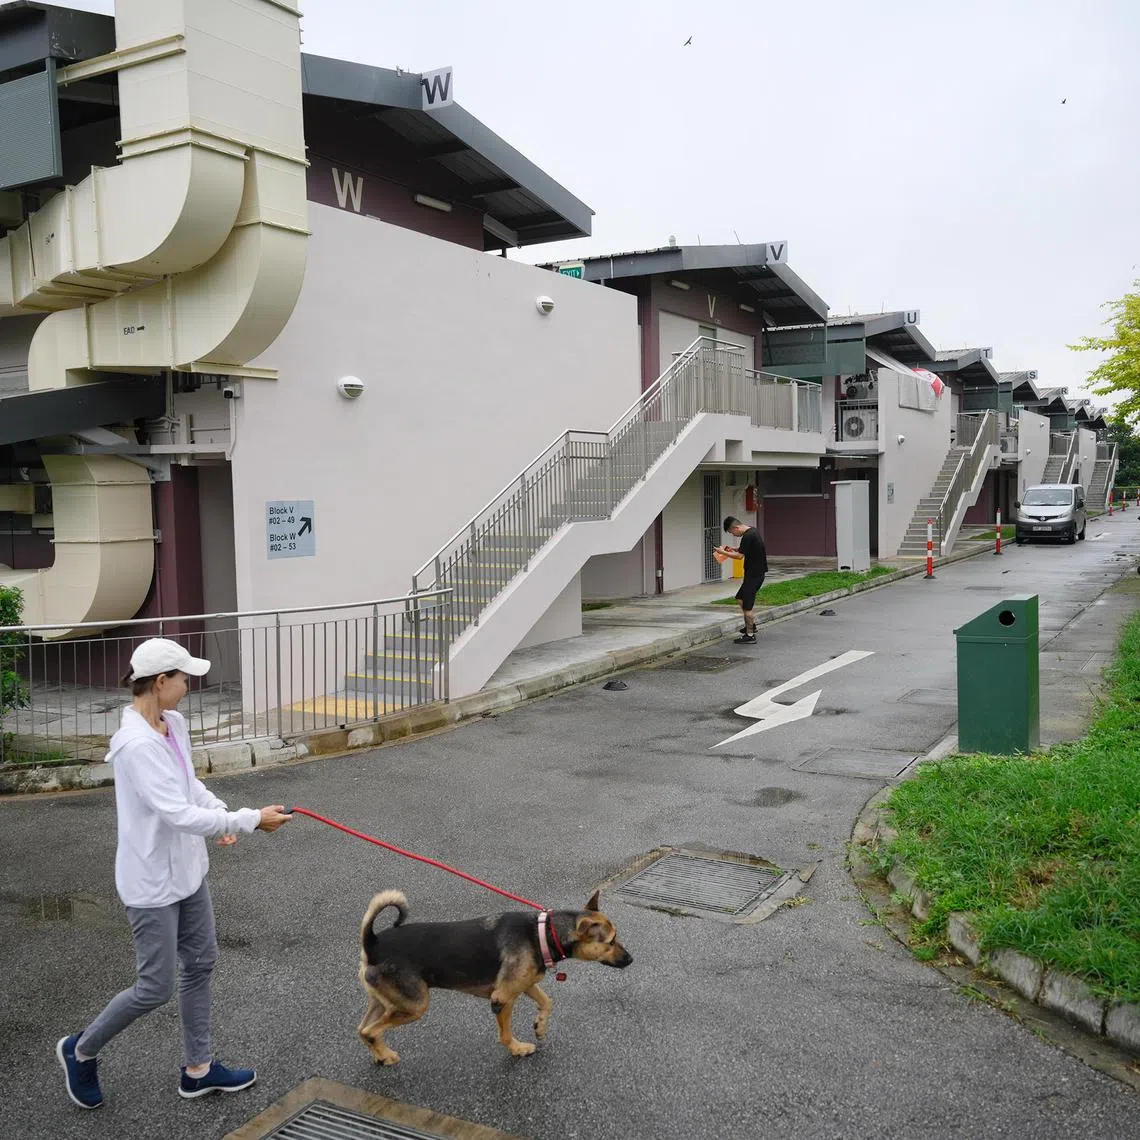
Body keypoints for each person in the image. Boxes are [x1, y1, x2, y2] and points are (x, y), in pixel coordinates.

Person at [56, 638, 292, 1110]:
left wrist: (222, 811)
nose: (189, 686)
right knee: (155, 986)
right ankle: (80, 1049)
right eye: (183, 678)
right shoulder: (134, 746)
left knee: (201, 962)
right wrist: (247, 819)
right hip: (150, 884)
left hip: (187, 871)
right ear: (160, 682)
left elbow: (188, 788)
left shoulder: (173, 724)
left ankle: (198, 1070)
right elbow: (175, 814)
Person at [717, 516, 768, 644]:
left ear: (735, 527)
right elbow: (744, 551)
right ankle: (752, 625)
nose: (733, 535)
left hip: (754, 576)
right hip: (756, 574)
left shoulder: (748, 536)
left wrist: (722, 553)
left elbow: (739, 557)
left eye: (731, 532)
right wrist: (732, 549)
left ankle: (750, 635)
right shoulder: (752, 531)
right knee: (740, 598)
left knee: (747, 607)